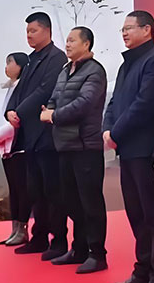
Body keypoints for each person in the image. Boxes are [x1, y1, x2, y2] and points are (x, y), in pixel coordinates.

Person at [103, 10, 154, 283]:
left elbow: (144, 105)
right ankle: (142, 269)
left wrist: (115, 133)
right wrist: (107, 129)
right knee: (136, 214)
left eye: (129, 28)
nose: (124, 33)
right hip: (127, 151)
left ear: (147, 30)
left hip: (145, 151)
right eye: (123, 29)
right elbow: (114, 103)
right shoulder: (126, 65)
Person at [41, 26, 109, 274]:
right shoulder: (65, 70)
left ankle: (97, 254)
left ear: (86, 44)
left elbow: (84, 103)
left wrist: (54, 116)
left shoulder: (95, 71)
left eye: (72, 40)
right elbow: (53, 98)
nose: (67, 44)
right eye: (67, 41)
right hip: (64, 145)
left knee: (90, 203)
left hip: (85, 146)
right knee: (70, 201)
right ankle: (78, 249)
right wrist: (49, 110)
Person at [4, 12, 69, 259]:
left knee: (53, 191)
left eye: (33, 31)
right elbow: (19, 90)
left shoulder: (56, 58)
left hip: (47, 135)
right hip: (29, 136)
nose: (29, 36)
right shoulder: (31, 60)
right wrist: (10, 110)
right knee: (35, 190)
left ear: (47, 31)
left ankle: (58, 240)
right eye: (27, 32)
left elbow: (45, 90)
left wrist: (19, 111)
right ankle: (39, 237)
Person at [0, 52, 31, 247]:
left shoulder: (24, 89)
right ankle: (15, 228)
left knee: (22, 189)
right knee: (13, 189)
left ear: (21, 66)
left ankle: (23, 229)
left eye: (10, 63)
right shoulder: (4, 90)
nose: (6, 67)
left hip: (18, 145)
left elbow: (16, 120)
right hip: (4, 147)